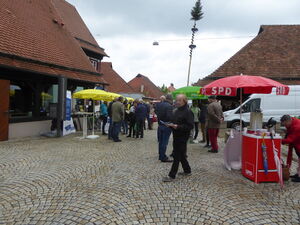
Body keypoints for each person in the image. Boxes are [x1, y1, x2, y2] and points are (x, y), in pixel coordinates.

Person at [163, 94, 194, 182]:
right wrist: (170, 125)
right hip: (176, 135)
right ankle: (187, 170)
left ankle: (171, 175)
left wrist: (178, 127)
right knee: (181, 155)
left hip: (183, 137)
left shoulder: (188, 112)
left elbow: (190, 126)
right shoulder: (176, 111)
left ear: (184, 101)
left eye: (179, 100)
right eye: (176, 100)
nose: (177, 102)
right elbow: (174, 122)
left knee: (176, 155)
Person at [281, 115, 300, 182]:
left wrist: (279, 140)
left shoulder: (297, 127)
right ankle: (298, 174)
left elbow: (290, 140)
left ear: (288, 121)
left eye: (285, 124)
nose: (285, 126)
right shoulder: (292, 121)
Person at [155, 94, 174, 162]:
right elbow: (169, 117)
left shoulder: (159, 104)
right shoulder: (169, 106)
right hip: (167, 125)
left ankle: (161, 155)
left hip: (160, 125)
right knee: (164, 142)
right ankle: (163, 157)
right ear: (170, 99)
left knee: (160, 141)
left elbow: (156, 112)